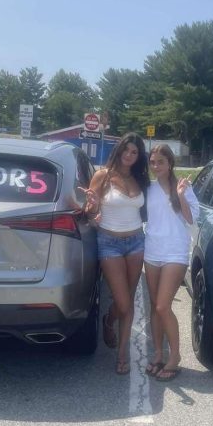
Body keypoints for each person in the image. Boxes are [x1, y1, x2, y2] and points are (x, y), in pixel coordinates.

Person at [82, 132, 149, 375]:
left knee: (127, 302)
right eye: (126, 150)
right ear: (119, 150)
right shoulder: (103, 175)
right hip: (109, 242)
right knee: (122, 301)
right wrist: (91, 205)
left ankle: (112, 326)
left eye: (135, 152)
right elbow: (90, 211)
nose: (130, 156)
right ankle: (122, 354)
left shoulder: (140, 178)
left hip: (136, 243)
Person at [143, 144, 199, 381]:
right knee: (155, 306)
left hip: (175, 252)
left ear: (170, 163)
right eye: (153, 162)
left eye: (161, 162)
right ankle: (158, 353)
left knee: (163, 306)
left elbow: (191, 219)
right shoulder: (149, 188)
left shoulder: (184, 187)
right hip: (152, 251)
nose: (156, 167)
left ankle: (174, 356)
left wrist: (181, 195)